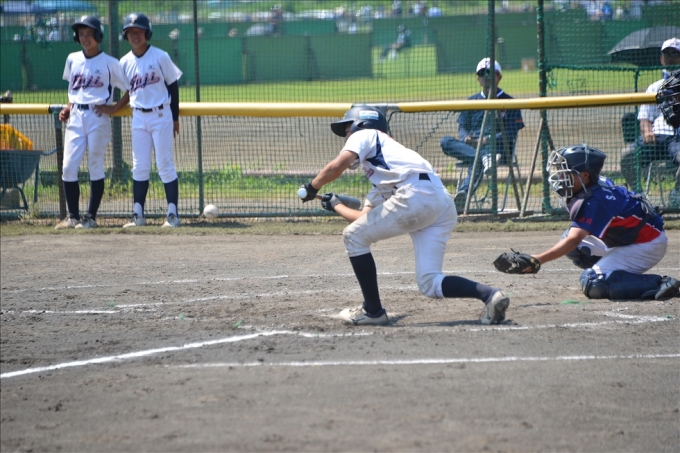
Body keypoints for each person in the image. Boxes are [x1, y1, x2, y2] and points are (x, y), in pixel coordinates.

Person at [298, 105, 511, 326]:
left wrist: (312, 187)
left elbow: (337, 165)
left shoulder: (367, 134)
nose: (345, 137)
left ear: (362, 124)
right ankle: (490, 295)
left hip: (416, 195)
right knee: (429, 282)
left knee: (353, 237)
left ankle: (373, 311)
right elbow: (363, 219)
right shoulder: (386, 168)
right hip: (439, 202)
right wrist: (335, 205)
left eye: (347, 130)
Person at [517, 144, 678, 300]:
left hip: (646, 244)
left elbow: (574, 239)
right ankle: (612, 272)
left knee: (592, 283)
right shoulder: (594, 184)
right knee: (571, 243)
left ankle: (661, 283)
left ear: (585, 175)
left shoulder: (595, 200)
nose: (560, 177)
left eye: (566, 173)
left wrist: (538, 259)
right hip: (628, 237)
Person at [96, 13, 183, 228]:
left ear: (147, 33)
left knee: (164, 164)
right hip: (138, 117)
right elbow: (128, 91)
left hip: (161, 115)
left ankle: (172, 215)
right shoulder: (125, 62)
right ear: (125, 36)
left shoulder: (160, 56)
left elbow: (173, 86)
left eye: (139, 31)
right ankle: (138, 215)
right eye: (130, 32)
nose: (135, 36)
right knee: (140, 166)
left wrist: (175, 118)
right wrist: (114, 108)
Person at [54, 16, 128, 230]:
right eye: (81, 34)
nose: (85, 38)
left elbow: (130, 89)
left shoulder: (110, 63)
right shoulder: (72, 58)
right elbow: (73, 89)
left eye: (89, 34)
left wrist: (113, 109)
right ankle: (72, 217)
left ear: (98, 35)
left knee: (95, 164)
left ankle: (90, 217)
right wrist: (68, 107)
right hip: (76, 116)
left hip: (97, 116)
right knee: (68, 167)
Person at [440, 58, 524, 207]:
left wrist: (487, 140)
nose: (486, 77)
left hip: (498, 148)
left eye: (490, 73)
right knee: (446, 141)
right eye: (482, 74)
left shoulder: (510, 102)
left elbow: (511, 132)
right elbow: (462, 126)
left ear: (499, 77)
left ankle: (464, 193)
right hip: (472, 147)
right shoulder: (472, 101)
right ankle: (484, 158)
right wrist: (465, 137)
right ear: (477, 78)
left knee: (478, 158)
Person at [620, 38, 680, 206]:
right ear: (661, 58)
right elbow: (644, 117)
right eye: (667, 54)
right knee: (627, 156)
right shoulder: (654, 87)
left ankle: (677, 193)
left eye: (675, 54)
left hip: (678, 139)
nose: (670, 57)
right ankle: (638, 195)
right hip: (656, 137)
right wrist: (647, 131)